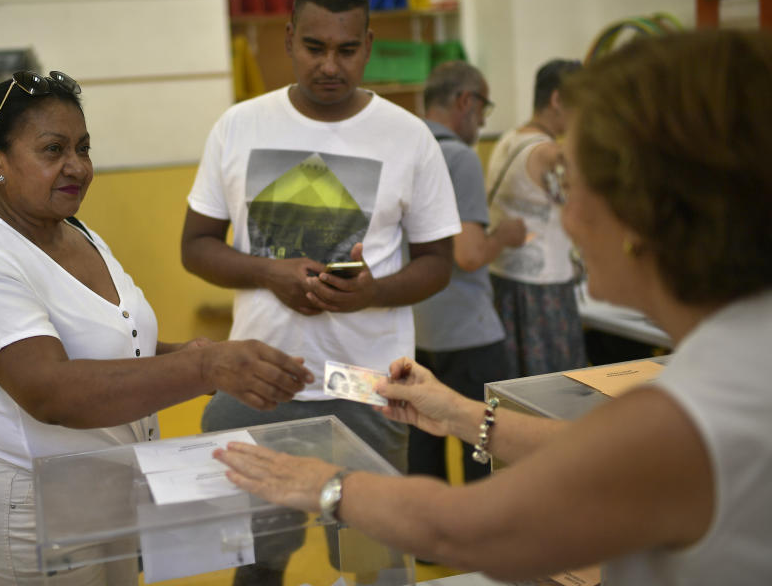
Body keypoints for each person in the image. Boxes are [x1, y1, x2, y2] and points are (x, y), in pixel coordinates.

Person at [214, 29, 772, 584]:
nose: (567, 217)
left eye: (569, 187)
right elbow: (598, 450)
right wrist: (459, 413)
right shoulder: (737, 359)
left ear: (644, 216)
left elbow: (470, 531)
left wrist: (326, 485)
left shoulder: (704, 410)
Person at [0, 70, 313, 585]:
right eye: (53, 150)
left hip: (108, 487)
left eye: (83, 148)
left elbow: (122, 345)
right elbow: (51, 391)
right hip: (29, 507)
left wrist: (205, 355)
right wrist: (203, 366)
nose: (76, 167)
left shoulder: (79, 233)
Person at [181, 0, 460, 585]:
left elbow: (440, 261)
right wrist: (268, 272)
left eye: (347, 49)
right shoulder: (239, 126)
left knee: (375, 566)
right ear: (288, 40)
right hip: (257, 378)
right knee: (256, 565)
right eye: (314, 47)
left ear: (369, 44)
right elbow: (195, 248)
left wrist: (374, 293)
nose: (330, 65)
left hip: (366, 386)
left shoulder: (409, 137)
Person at [411, 61, 526, 484]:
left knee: (422, 448)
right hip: (468, 333)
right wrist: (506, 235)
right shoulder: (459, 157)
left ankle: (426, 549)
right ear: (465, 100)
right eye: (483, 110)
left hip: (418, 330)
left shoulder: (406, 149)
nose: (481, 122)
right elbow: (471, 254)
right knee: (486, 454)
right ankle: (486, 548)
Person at [486, 58, 587, 377]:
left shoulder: (508, 140)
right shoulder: (548, 153)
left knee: (516, 386)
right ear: (557, 99)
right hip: (542, 292)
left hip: (505, 282)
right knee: (554, 390)